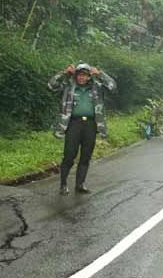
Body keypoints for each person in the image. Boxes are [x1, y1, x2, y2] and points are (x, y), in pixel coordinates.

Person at [48, 62, 116, 195]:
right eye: (79, 75)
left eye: (84, 75)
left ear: (89, 76)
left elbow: (113, 87)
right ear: (75, 76)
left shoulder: (97, 87)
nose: (81, 78)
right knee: (69, 155)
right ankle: (63, 184)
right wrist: (65, 73)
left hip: (90, 125)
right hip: (73, 124)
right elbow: (51, 85)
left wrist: (100, 74)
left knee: (86, 156)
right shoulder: (69, 87)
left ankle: (80, 184)